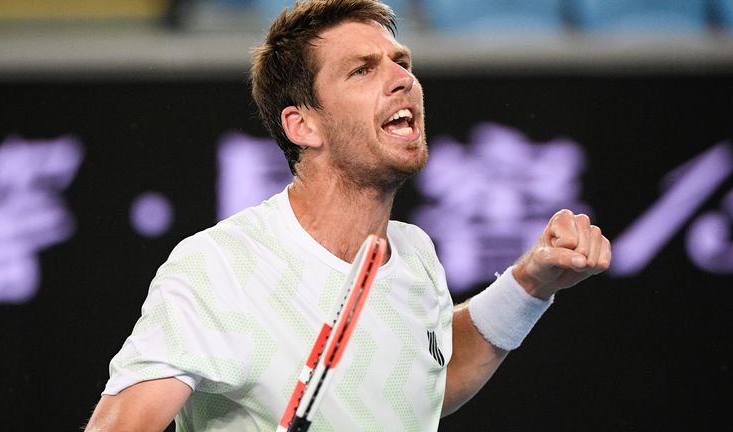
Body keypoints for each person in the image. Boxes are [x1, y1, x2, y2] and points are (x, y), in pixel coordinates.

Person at [84, 0, 611, 430]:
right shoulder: (220, 268)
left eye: (400, 62)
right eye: (362, 70)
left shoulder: (414, 255)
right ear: (303, 125)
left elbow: (422, 385)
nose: (401, 79)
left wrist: (528, 286)